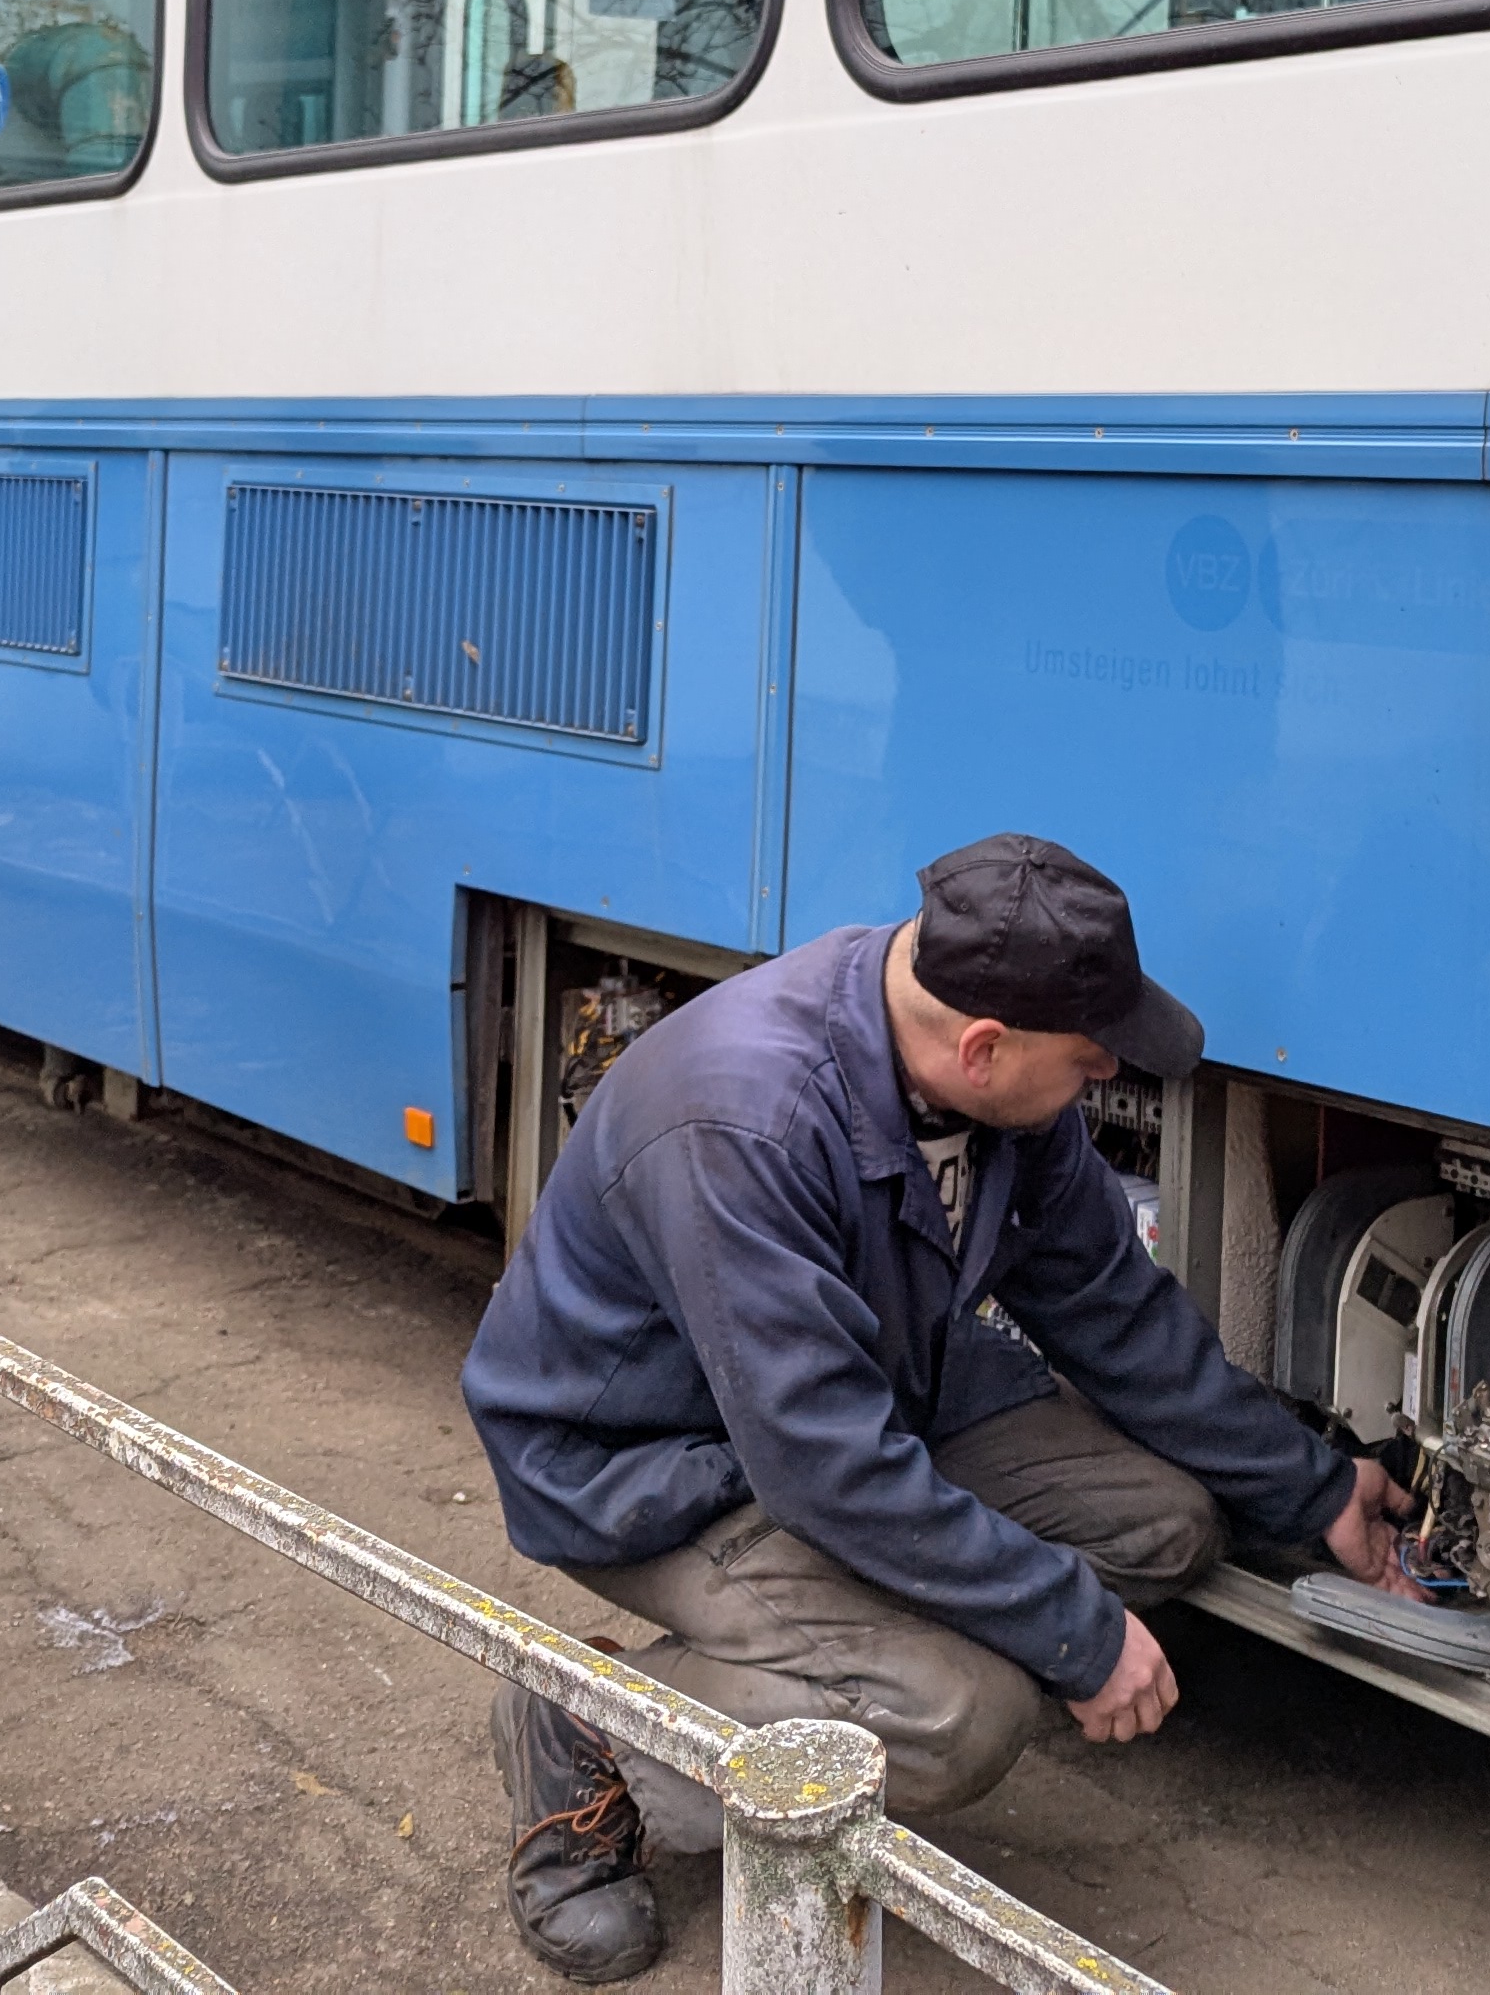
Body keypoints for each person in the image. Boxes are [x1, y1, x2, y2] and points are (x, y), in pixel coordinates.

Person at [462, 833, 1416, 1982]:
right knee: (962, 1715)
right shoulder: (742, 1122)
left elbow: (1113, 1310)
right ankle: (593, 1737)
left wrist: (1313, 1487)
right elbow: (822, 1468)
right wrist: (1071, 1632)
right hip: (650, 1468)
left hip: (866, 1401)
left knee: (1165, 1523)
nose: (1105, 1072)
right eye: (1089, 1056)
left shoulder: (1000, 1089)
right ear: (982, 1046)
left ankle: (857, 1632)